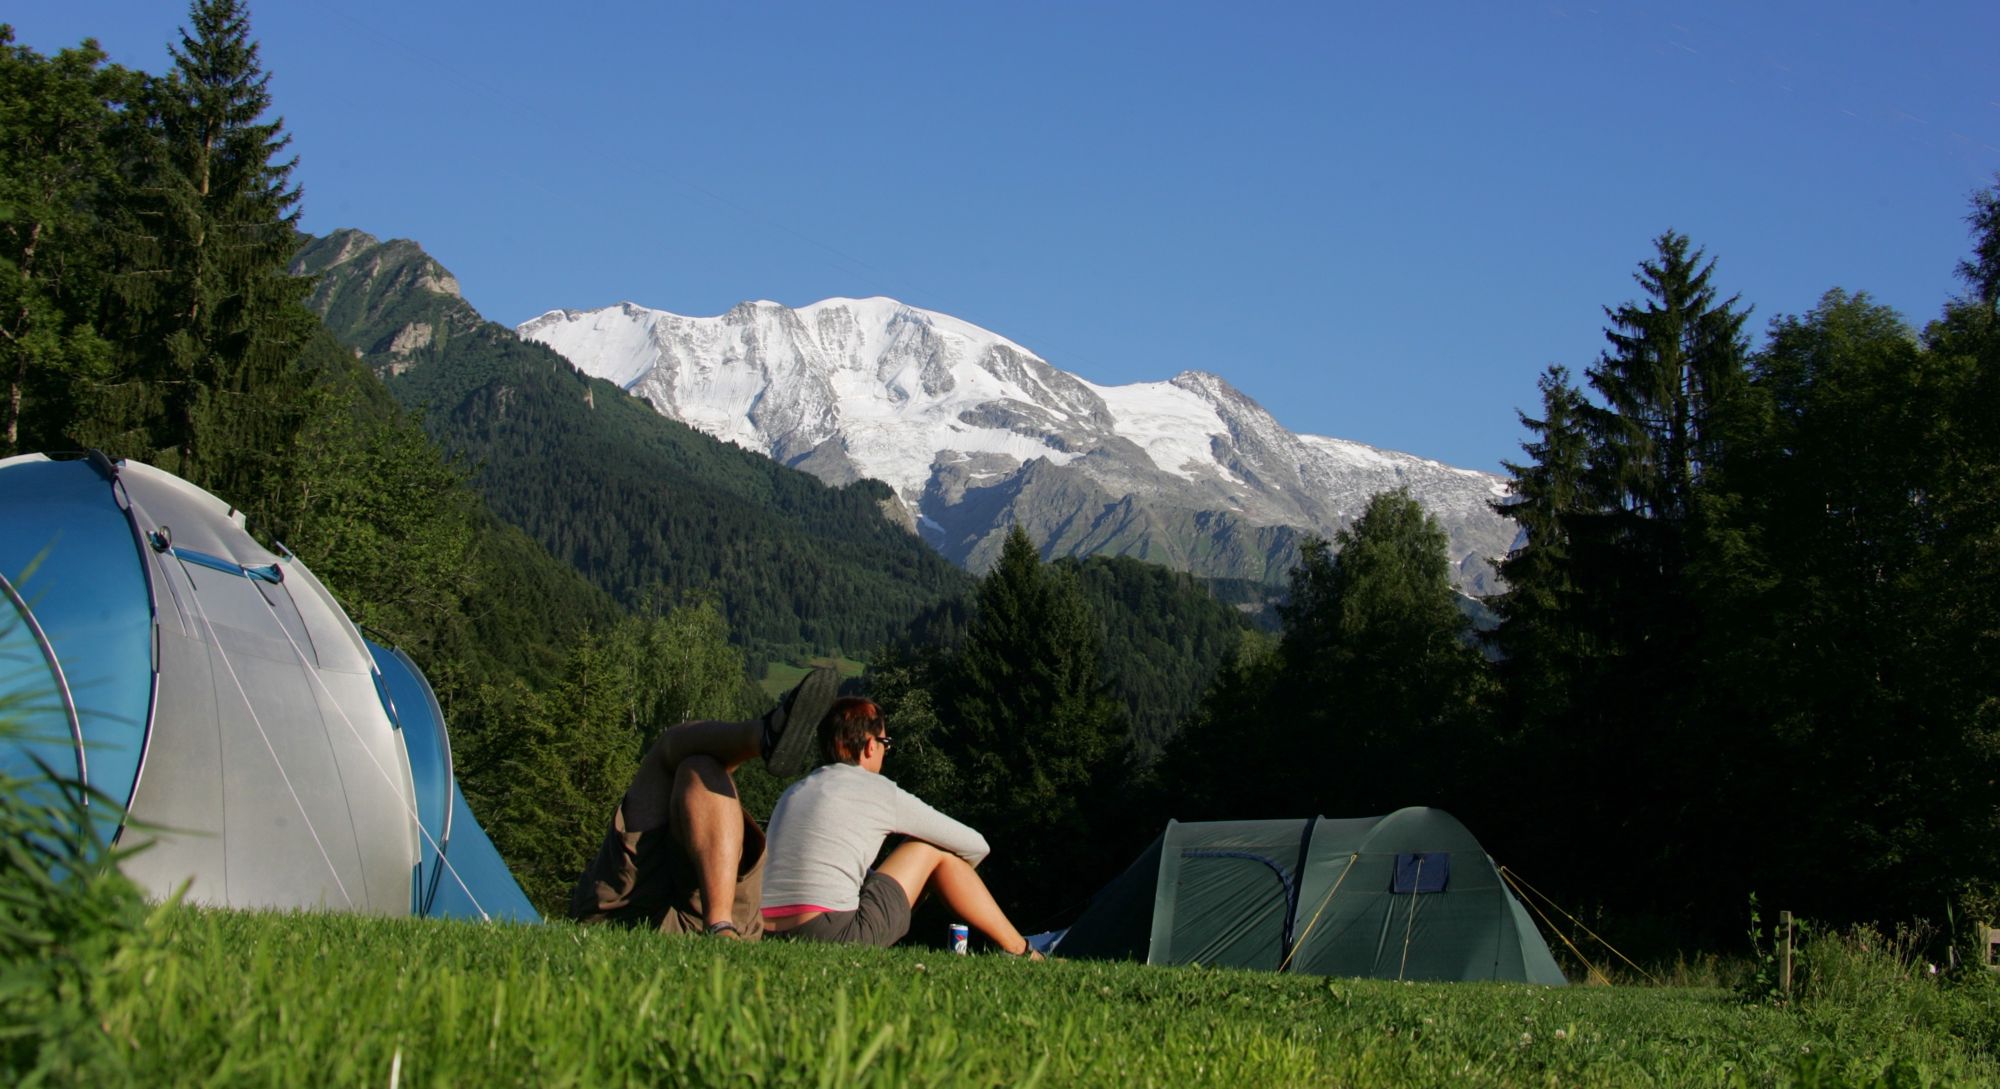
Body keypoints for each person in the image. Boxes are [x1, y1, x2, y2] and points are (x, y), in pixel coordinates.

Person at [567, 667, 841, 938]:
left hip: (622, 911)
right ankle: (720, 926)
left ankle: (762, 735)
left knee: (682, 759)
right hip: (706, 918)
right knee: (697, 767)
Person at [759, 697, 1041, 957]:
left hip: (767, 932)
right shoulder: (876, 789)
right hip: (832, 933)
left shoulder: (794, 791)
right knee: (929, 849)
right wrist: (939, 878)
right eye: (886, 743)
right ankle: (1022, 951)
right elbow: (976, 844)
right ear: (871, 745)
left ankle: (1019, 950)